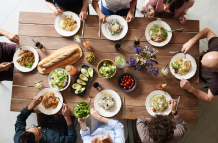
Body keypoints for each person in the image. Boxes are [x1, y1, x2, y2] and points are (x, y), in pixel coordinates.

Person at [180, 28, 218, 104]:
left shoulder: (216, 84)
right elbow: (207, 31)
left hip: (200, 78)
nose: (199, 61)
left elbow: (208, 99)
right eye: (202, 59)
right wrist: (191, 41)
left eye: (204, 64)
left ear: (214, 70)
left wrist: (191, 88)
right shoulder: (216, 44)